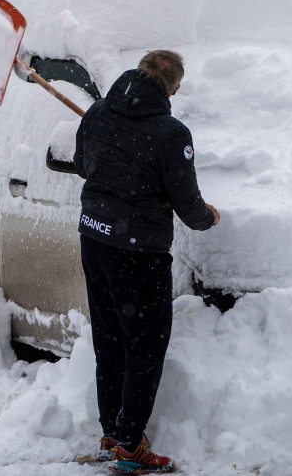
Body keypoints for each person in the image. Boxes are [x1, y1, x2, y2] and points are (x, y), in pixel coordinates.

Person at [72, 50, 220, 474]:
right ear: (173, 86)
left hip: (94, 239)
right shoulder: (171, 134)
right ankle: (130, 446)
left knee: (109, 338)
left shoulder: (100, 111)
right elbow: (188, 206)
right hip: (137, 252)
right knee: (145, 346)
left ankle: (110, 435)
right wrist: (209, 217)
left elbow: (84, 165)